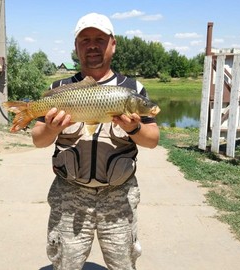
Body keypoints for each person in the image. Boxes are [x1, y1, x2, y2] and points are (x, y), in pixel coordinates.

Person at [31, 13, 160, 270]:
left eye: (100, 39)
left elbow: (153, 140)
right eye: (85, 39)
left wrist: (134, 129)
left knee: (123, 264)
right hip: (69, 194)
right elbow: (38, 140)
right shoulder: (61, 87)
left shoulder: (131, 89)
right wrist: (51, 129)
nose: (92, 45)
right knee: (65, 265)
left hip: (118, 194)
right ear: (76, 46)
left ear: (113, 44)